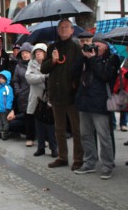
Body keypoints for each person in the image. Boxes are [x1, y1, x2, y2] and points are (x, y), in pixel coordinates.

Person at [73, 39, 120, 180]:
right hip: (84, 101)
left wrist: (94, 59)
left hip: (100, 103)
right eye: (94, 45)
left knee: (103, 136)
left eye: (98, 45)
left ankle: (107, 165)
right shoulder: (86, 58)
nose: (94, 47)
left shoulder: (112, 59)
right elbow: (73, 71)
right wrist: (82, 56)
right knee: (85, 134)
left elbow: (105, 75)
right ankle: (89, 163)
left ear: (106, 46)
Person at [40, 19, 84, 170]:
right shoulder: (52, 46)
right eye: (61, 27)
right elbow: (43, 69)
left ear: (72, 30)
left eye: (67, 27)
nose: (64, 30)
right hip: (56, 93)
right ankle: (62, 156)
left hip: (72, 93)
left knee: (76, 129)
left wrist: (75, 84)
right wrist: (52, 60)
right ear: (58, 30)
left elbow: (80, 70)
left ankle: (78, 158)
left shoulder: (77, 47)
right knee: (59, 128)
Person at [25, 43, 57, 157]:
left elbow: (53, 78)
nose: (38, 53)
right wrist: (43, 77)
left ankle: (54, 148)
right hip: (36, 98)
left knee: (50, 125)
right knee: (38, 124)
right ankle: (41, 147)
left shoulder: (50, 63)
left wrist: (44, 78)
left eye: (40, 51)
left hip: (49, 98)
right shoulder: (31, 64)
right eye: (36, 52)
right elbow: (29, 78)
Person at [11, 42, 35, 146]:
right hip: (23, 95)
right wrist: (18, 91)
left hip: (35, 93)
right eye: (23, 53)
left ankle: (42, 137)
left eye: (27, 52)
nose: (25, 55)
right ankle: (30, 138)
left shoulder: (35, 64)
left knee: (38, 116)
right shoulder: (18, 66)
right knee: (28, 116)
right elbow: (15, 80)